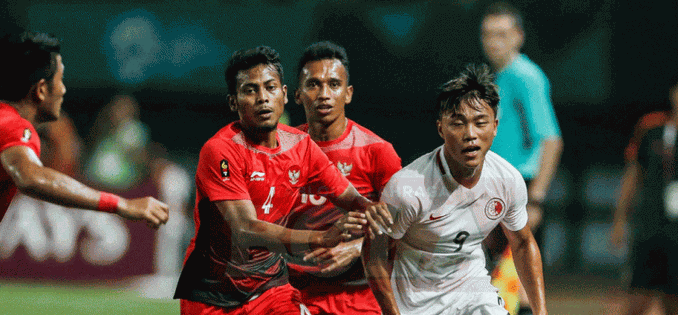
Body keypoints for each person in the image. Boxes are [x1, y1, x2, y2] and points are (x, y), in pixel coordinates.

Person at [0, 32, 170, 315]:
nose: (65, 90)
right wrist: (122, 204)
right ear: (41, 90)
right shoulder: (13, 127)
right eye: (61, 79)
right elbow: (32, 177)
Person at [173, 45, 393, 315]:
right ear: (233, 102)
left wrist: (371, 210)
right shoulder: (220, 151)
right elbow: (245, 231)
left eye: (270, 87)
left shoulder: (302, 146)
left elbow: (350, 198)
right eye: (250, 90)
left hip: (269, 288)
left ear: (285, 94)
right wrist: (323, 238)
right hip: (213, 292)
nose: (262, 98)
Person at [362, 64, 547, 315]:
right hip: (416, 304)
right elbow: (375, 256)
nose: (470, 134)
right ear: (441, 129)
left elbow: (523, 243)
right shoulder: (408, 188)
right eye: (458, 124)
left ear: (495, 126)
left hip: (473, 294)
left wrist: (541, 312)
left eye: (480, 122)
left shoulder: (507, 180)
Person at [285, 41, 402, 315]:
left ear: (348, 94)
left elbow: (410, 226)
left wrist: (358, 247)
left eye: (334, 84)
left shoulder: (377, 152)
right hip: (295, 296)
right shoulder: (280, 152)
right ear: (298, 95)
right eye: (313, 84)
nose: (324, 94)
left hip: (361, 298)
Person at [480, 2, 563, 315]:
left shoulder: (525, 76)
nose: (493, 41)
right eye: (487, 34)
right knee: (505, 277)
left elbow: (551, 140)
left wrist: (536, 199)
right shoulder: (499, 77)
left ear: (518, 36)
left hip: (522, 189)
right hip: (497, 187)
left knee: (520, 280)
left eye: (501, 34)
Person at [610, 81, 678, 315]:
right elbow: (632, 175)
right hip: (649, 224)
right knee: (639, 295)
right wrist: (619, 220)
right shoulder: (651, 125)